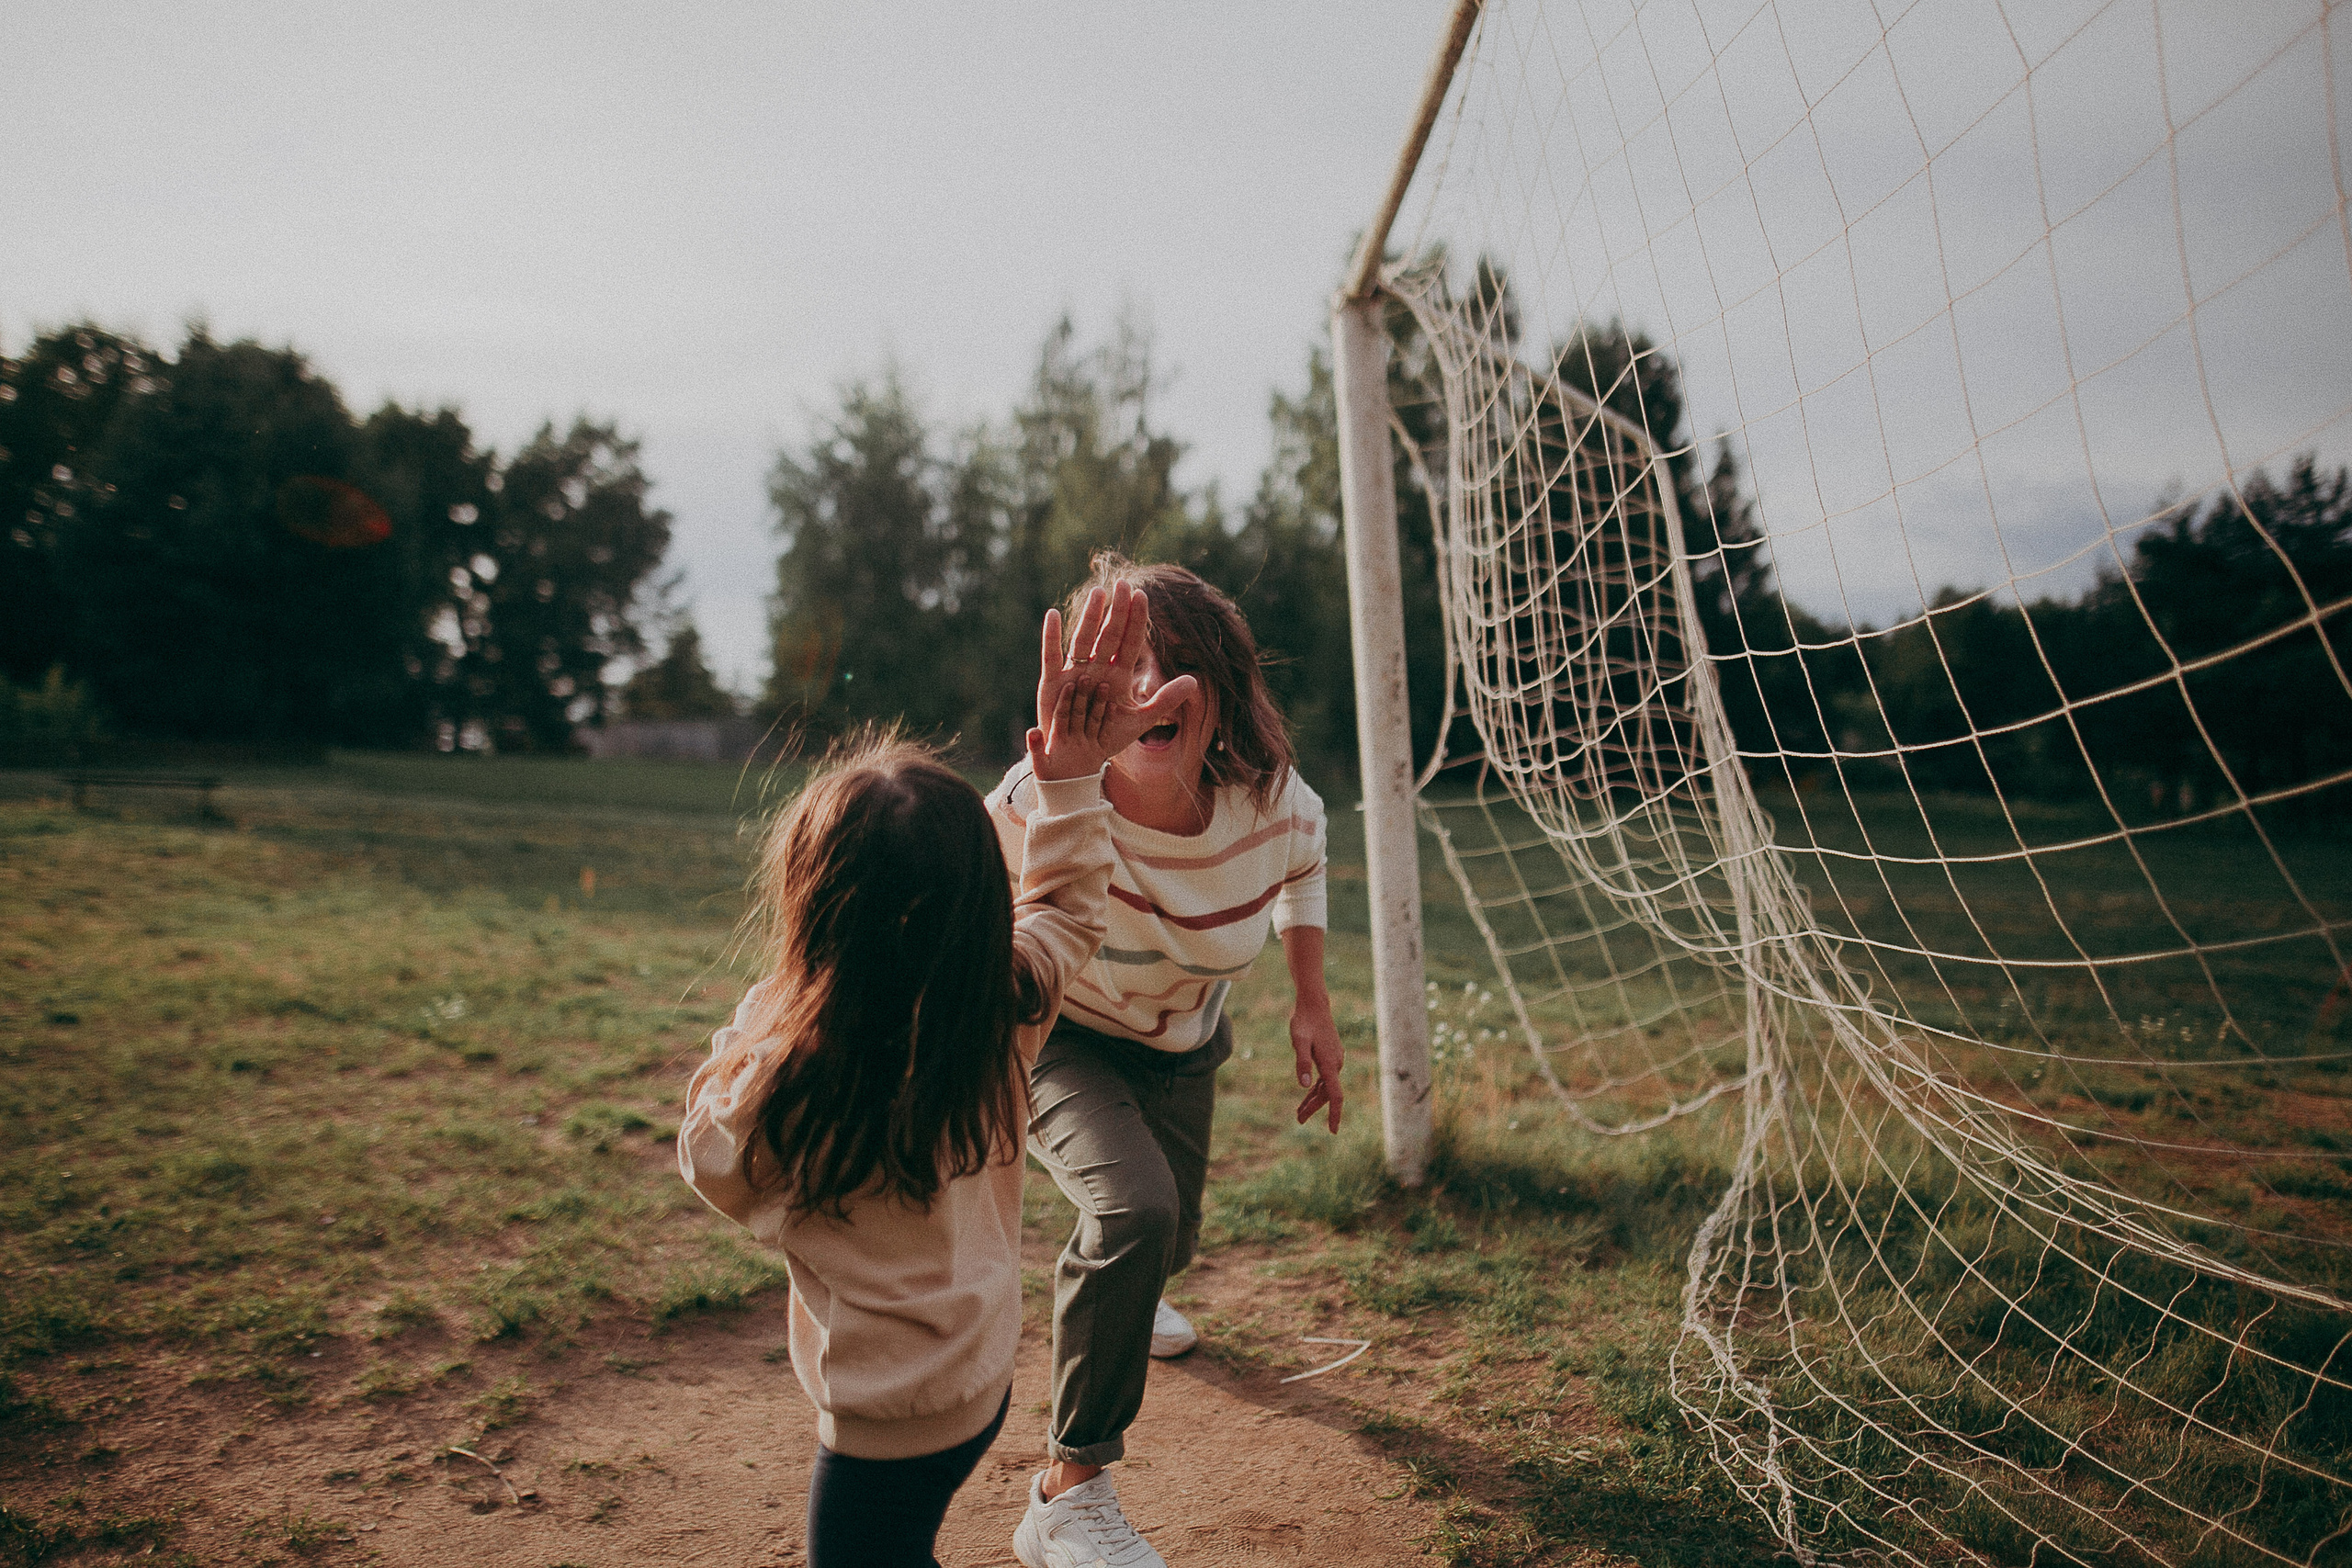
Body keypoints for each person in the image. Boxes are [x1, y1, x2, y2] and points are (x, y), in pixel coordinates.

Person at [678, 583, 1196, 1568]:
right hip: (981, 1381)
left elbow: (706, 1151)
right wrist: (1072, 777)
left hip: (881, 1425)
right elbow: (1067, 906)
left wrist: (778, 999)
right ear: (980, 905)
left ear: (814, 920)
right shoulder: (1005, 1010)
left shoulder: (790, 1091)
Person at [989, 554, 1344, 1568]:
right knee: (1134, 1212)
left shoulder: (1275, 803)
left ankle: (1128, 1299)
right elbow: (960, 893)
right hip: (1064, 1036)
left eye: (1169, 662)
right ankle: (1066, 1495)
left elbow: (1306, 866)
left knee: (1168, 1236)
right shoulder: (1043, 795)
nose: (1144, 688)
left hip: (1185, 1039)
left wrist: (1311, 999)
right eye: (1122, 665)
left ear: (1219, 692)